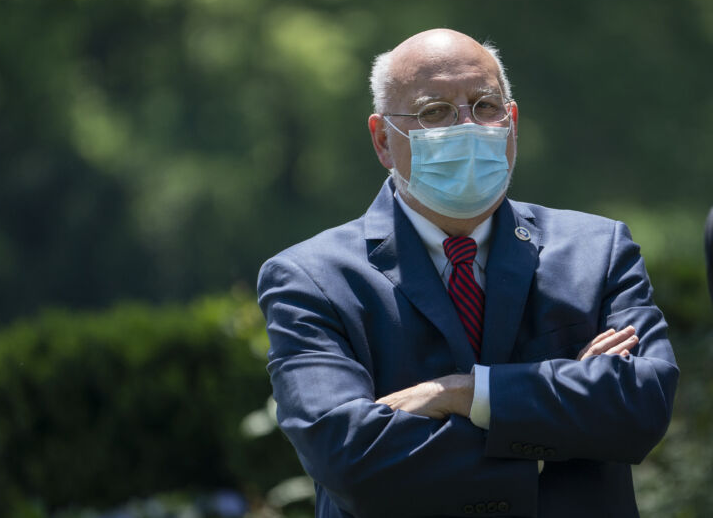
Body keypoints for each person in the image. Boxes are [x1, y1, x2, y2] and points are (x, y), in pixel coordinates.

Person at [257, 29, 678, 518]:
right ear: (382, 141)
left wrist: (464, 394)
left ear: (512, 120)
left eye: (484, 105)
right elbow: (349, 456)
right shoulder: (311, 278)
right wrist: (548, 442)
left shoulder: (597, 249)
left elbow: (640, 407)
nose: (467, 126)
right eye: (434, 112)